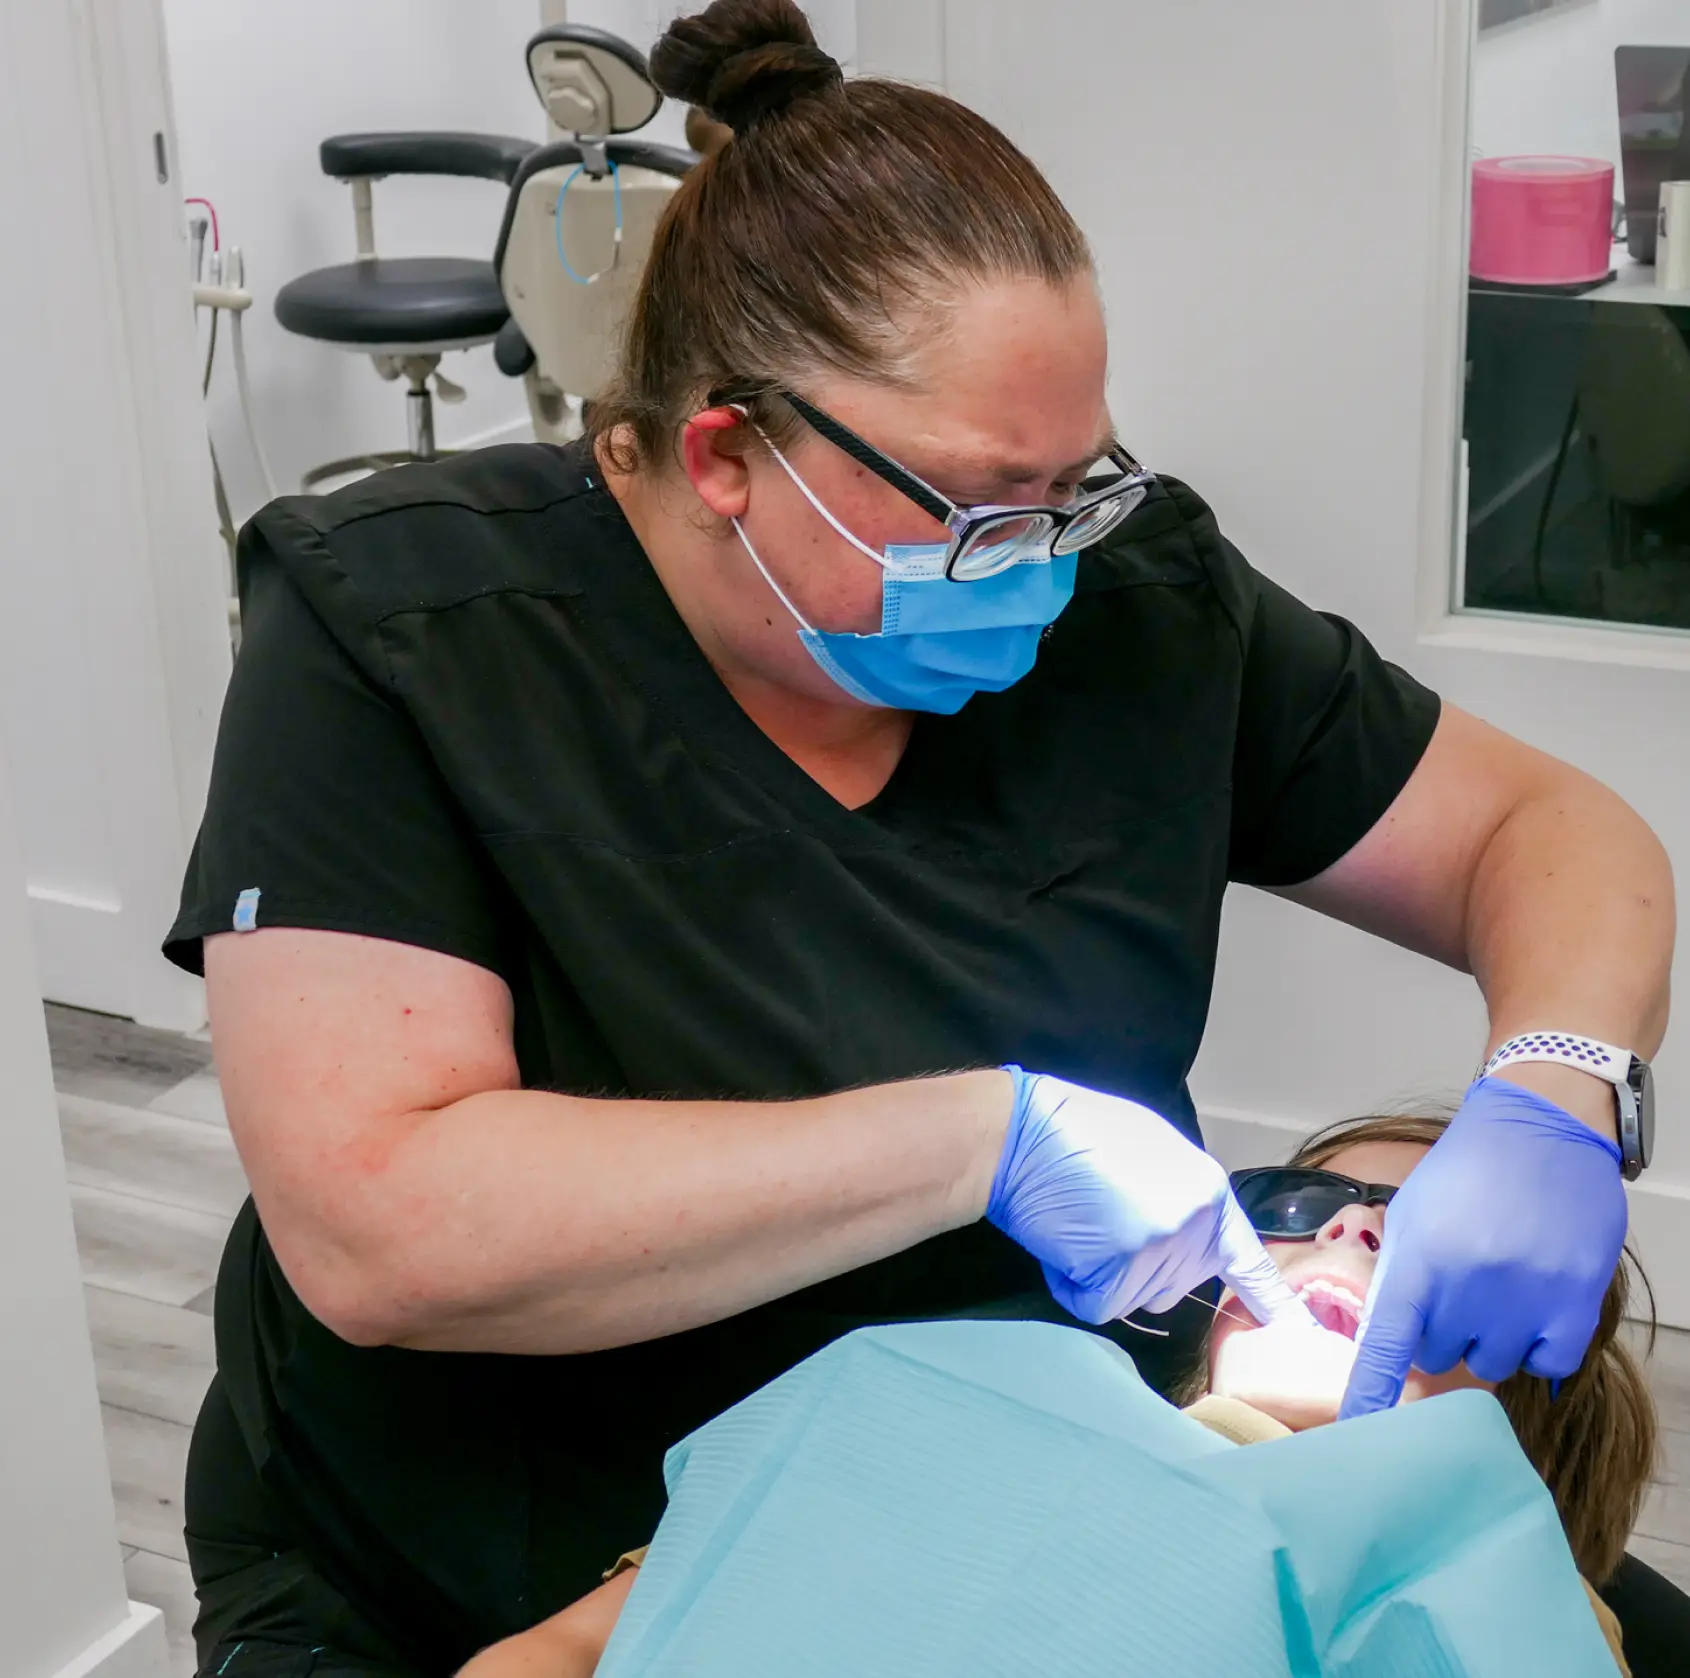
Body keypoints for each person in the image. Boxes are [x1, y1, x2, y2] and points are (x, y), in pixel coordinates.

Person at [168, 1, 1675, 1673]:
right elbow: (380, 1230)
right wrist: (982, 1139)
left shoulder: (1135, 605)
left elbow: (1544, 828)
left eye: (1077, 486)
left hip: (1008, 1488)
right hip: (504, 1547)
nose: (1048, 557)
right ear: (727, 453)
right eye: (978, 509)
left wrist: (1554, 1086)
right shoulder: (408, 635)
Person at [453, 1112, 1672, 1678]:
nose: (1347, 1228)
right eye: (1299, 1204)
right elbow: (567, 1652)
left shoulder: (1498, 1581)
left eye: (1425, 1239)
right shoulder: (943, 1391)